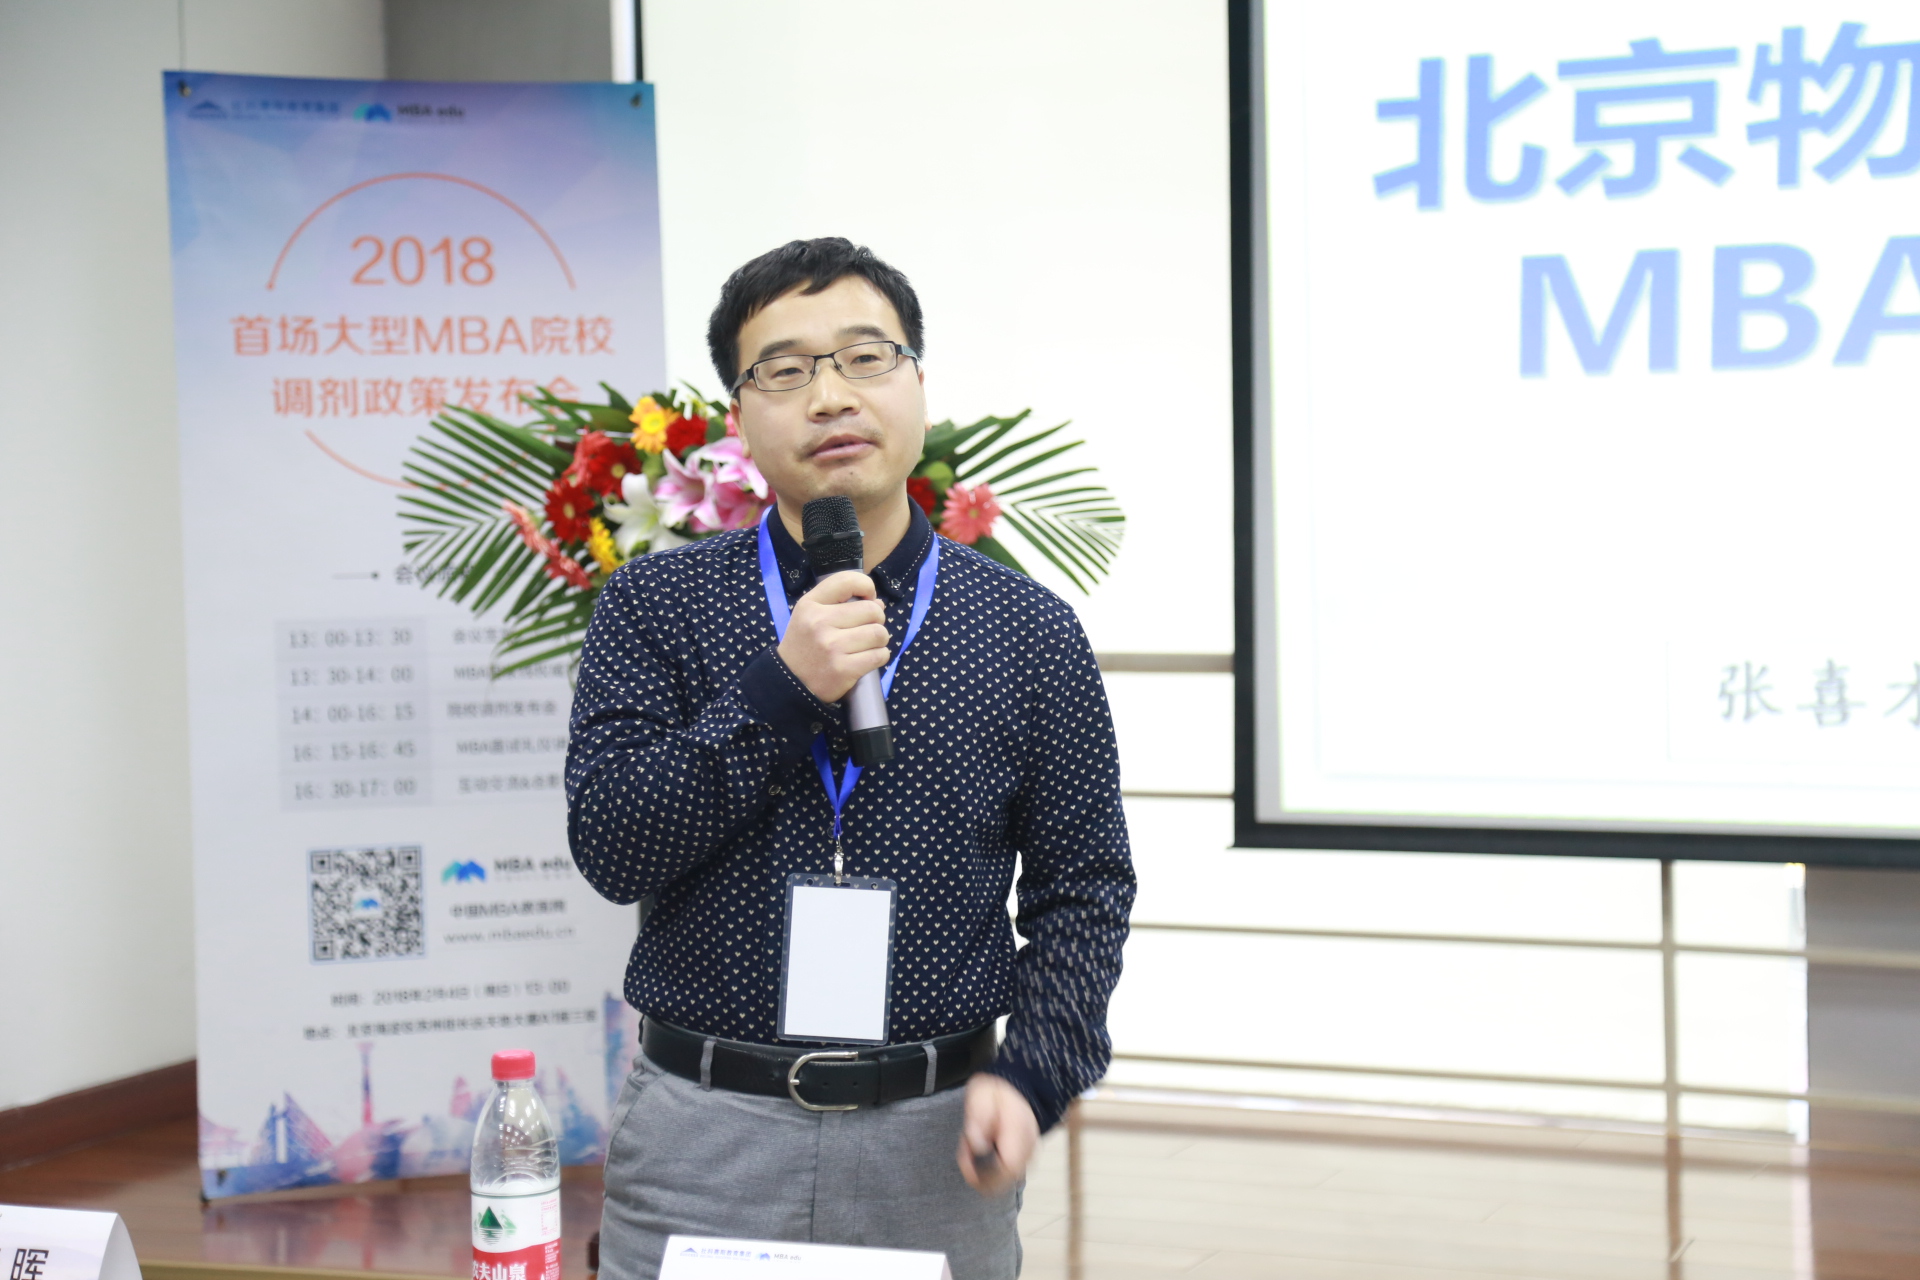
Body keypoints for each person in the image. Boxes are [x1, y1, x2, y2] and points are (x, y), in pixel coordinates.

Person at [566, 237, 1134, 1280]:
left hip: (935, 1139)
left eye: (866, 358)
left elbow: (1084, 887)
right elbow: (612, 844)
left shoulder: (1028, 630)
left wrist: (1036, 1072)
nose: (831, 395)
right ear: (741, 416)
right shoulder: (655, 605)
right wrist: (781, 687)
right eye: (785, 370)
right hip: (704, 1134)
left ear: (917, 381)